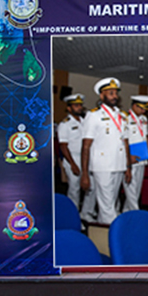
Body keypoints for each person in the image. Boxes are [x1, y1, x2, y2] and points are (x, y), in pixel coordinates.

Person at [80, 77, 131, 224]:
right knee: (108, 205)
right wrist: (85, 173)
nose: (114, 96)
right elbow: (86, 146)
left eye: (116, 93)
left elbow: (125, 142)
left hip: (119, 165)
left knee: (111, 202)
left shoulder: (122, 116)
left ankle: (102, 235)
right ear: (102, 96)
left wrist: (128, 167)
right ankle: (116, 234)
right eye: (110, 93)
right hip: (102, 167)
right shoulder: (94, 115)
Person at [57, 93, 96, 221]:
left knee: (91, 187)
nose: (79, 108)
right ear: (69, 108)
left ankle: (86, 212)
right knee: (74, 190)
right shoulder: (65, 124)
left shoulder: (85, 121)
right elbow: (63, 146)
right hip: (72, 159)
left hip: (86, 159)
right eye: (76, 105)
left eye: (80, 105)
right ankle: (72, 218)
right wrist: (73, 164)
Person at [122, 95, 148, 212]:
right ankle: (136, 212)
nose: (144, 111)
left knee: (136, 189)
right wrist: (128, 157)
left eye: (145, 109)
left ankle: (126, 212)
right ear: (134, 106)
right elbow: (123, 140)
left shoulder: (143, 119)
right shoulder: (126, 119)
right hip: (130, 157)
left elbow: (145, 136)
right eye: (141, 108)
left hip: (141, 157)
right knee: (130, 188)